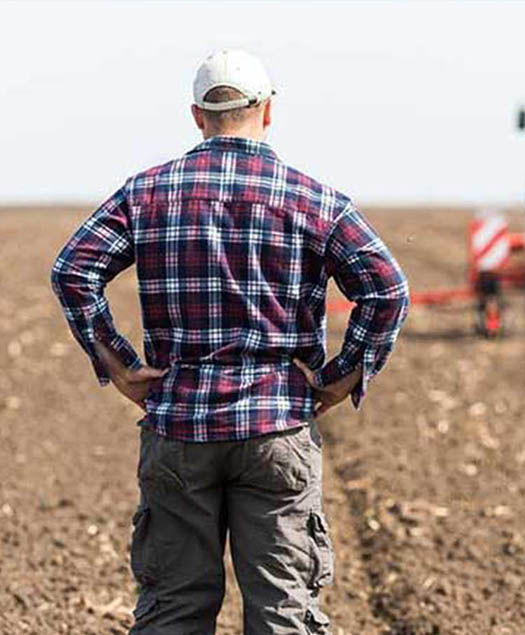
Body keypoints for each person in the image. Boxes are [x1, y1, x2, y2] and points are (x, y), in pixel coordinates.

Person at [50, 49, 409, 634]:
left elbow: (73, 270)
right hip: (277, 428)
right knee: (283, 614)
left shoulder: (147, 194)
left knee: (173, 613)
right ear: (267, 111)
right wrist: (345, 375)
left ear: (198, 116)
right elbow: (387, 289)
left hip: (179, 427)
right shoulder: (314, 200)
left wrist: (117, 364)